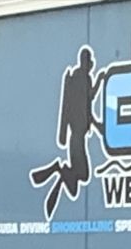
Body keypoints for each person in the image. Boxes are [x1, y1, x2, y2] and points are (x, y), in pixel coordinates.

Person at [30, 46, 101, 220]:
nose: (90, 64)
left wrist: (98, 126)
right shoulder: (79, 78)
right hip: (76, 137)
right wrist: (100, 80)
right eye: (88, 61)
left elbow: (86, 107)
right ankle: (58, 169)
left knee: (79, 178)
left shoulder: (84, 77)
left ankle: (59, 171)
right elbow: (80, 106)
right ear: (85, 61)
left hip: (79, 136)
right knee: (82, 177)